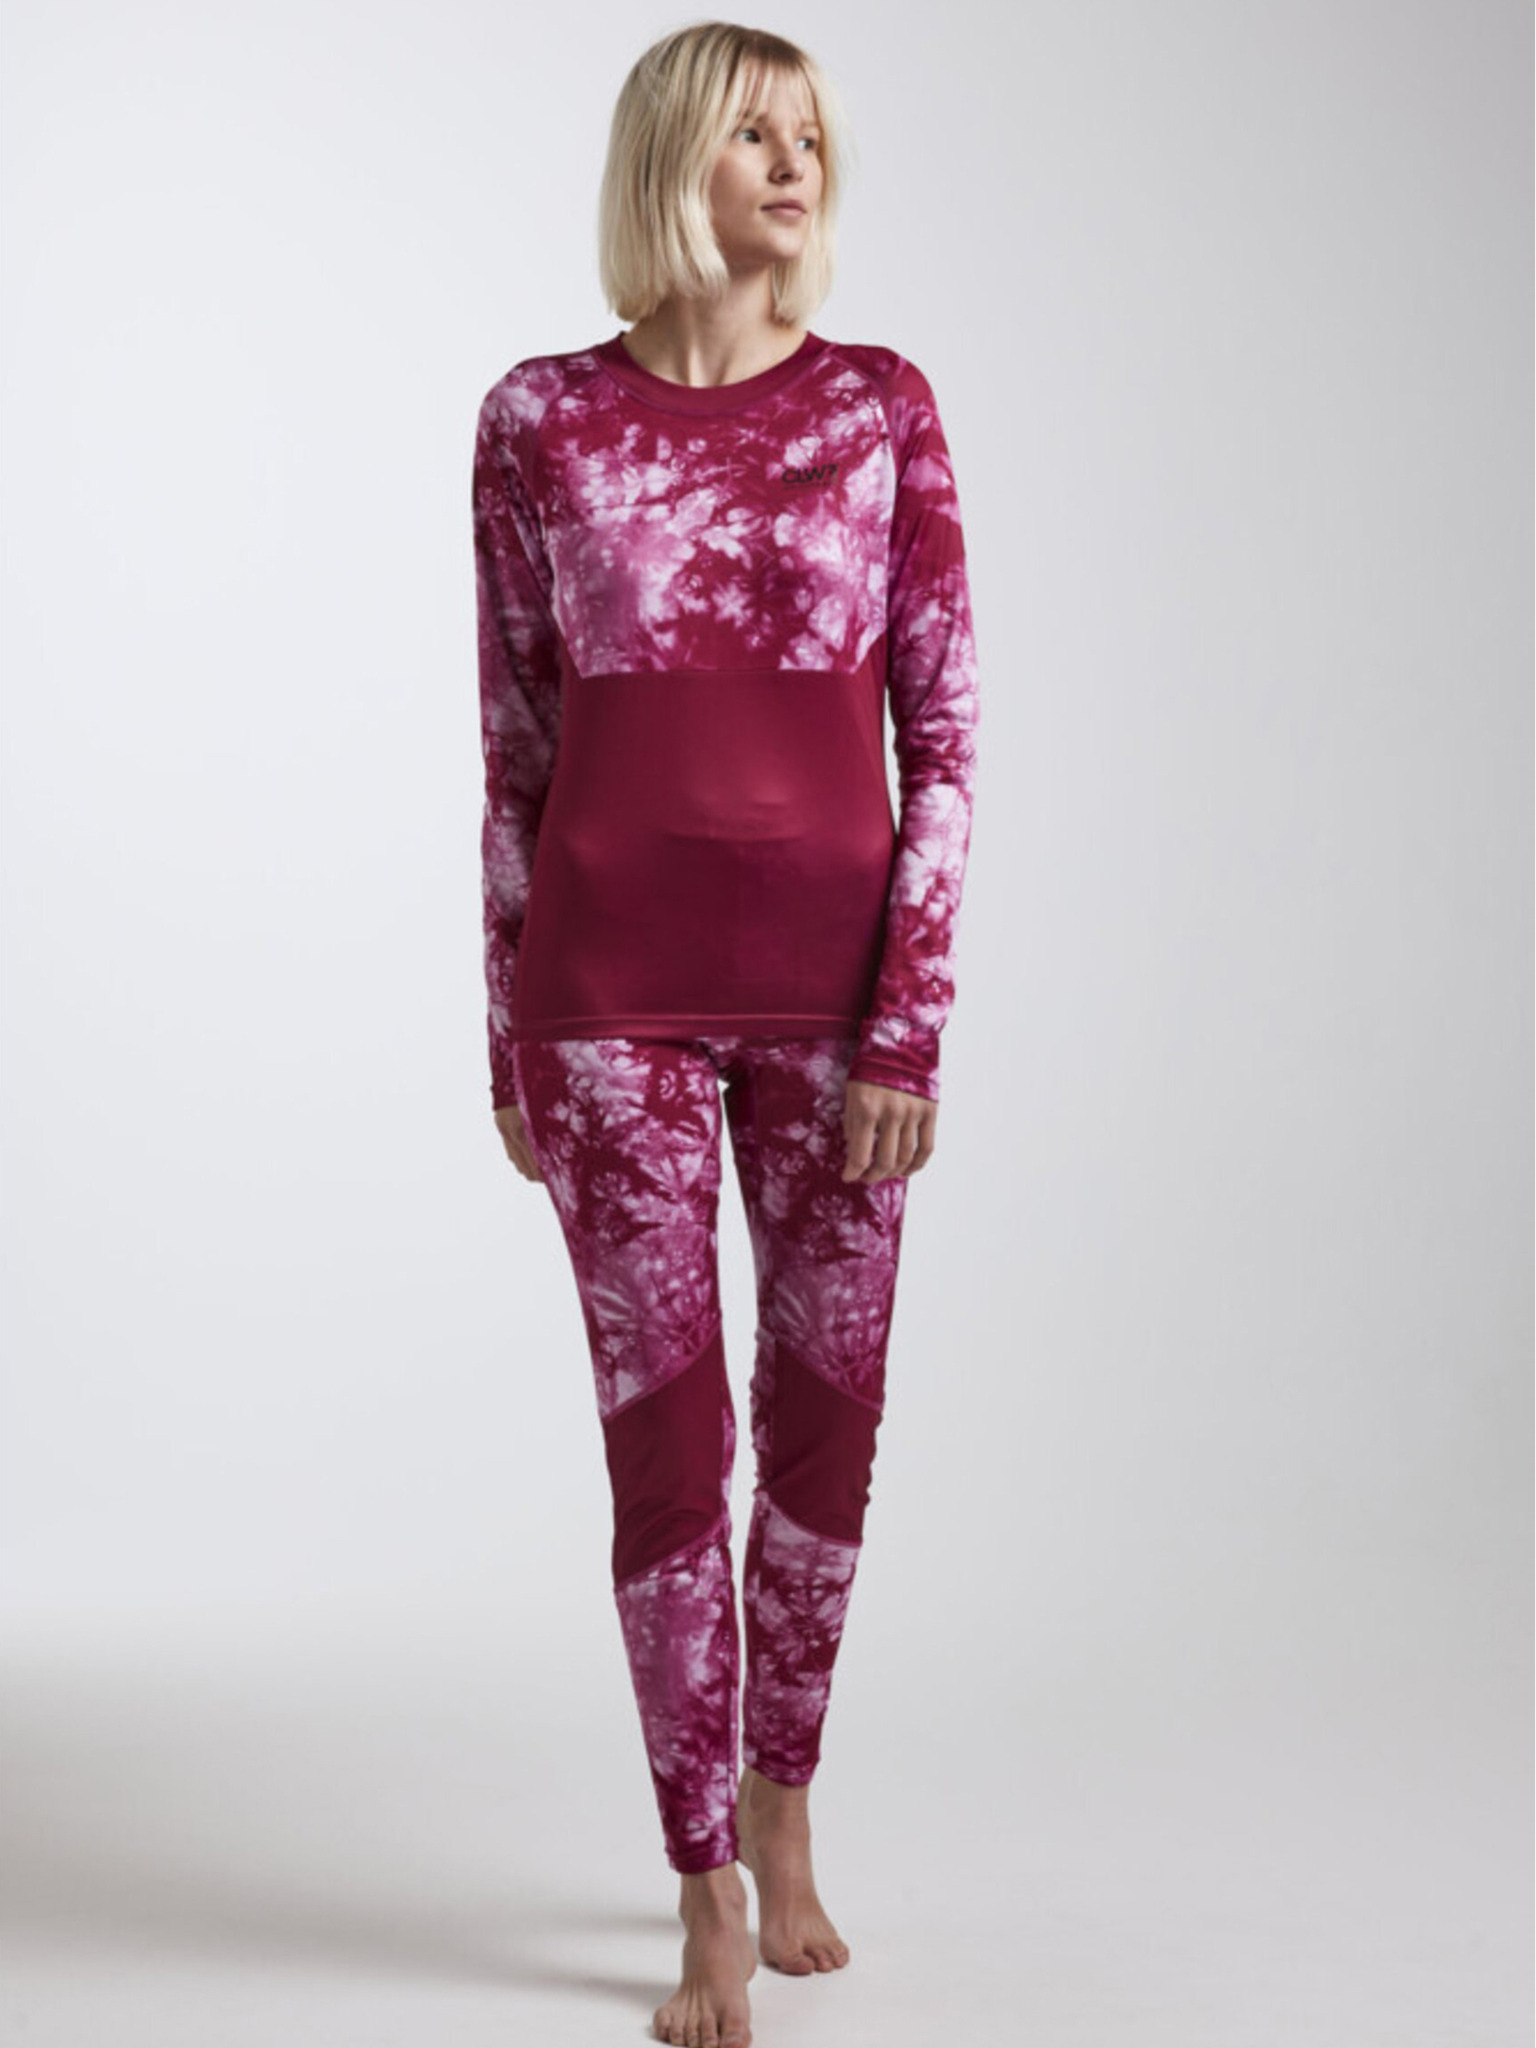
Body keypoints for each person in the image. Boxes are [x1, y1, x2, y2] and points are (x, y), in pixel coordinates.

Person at [471, 23, 979, 2047]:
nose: (794, 163)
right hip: (608, 998)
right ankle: (699, 1882)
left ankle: (786, 1806)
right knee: (668, 1451)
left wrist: (910, 1021)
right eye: (754, 131)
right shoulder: (538, 421)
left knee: (827, 1433)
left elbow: (946, 736)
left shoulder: (879, 408)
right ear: (672, 158)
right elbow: (512, 745)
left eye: (812, 136)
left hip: (836, 1004)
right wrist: (508, 1019)